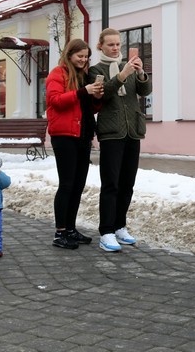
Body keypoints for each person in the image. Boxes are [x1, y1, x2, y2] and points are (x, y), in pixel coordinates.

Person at [87, 28, 152, 252]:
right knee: (111, 184)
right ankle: (106, 231)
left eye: (118, 45)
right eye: (111, 45)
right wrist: (122, 75)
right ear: (101, 46)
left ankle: (119, 226)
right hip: (111, 132)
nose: (115, 48)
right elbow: (103, 93)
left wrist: (141, 73)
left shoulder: (130, 66)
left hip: (133, 130)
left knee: (128, 183)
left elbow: (145, 90)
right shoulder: (96, 69)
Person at [46, 38, 103, 249]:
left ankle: (70, 228)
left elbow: (89, 108)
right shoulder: (58, 74)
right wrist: (83, 92)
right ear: (70, 55)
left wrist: (96, 97)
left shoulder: (82, 76)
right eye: (80, 56)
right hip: (64, 136)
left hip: (83, 134)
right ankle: (59, 232)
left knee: (78, 185)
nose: (83, 60)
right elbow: (55, 101)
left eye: (86, 57)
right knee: (67, 184)